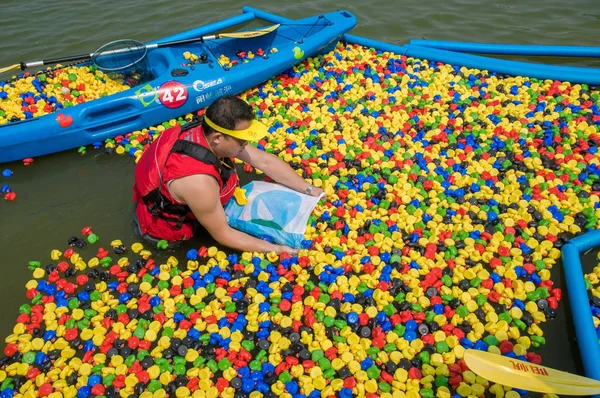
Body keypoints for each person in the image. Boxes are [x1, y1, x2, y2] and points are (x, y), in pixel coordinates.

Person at [132, 95, 323, 254]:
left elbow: (264, 161)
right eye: (242, 141)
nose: (246, 145)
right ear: (217, 138)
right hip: (166, 232)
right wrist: (277, 248)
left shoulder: (208, 131)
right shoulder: (199, 182)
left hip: (191, 200)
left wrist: (309, 189)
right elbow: (223, 234)